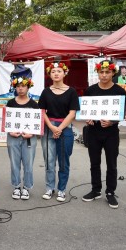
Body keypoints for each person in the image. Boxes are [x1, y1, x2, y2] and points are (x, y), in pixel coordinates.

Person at [81, 60, 126, 208]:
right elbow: (85, 110)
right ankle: (96, 190)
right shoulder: (90, 90)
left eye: (107, 72)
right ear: (98, 73)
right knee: (94, 163)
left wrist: (112, 122)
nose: (104, 75)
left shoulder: (120, 91)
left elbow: (122, 114)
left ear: (113, 73)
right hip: (93, 132)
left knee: (111, 164)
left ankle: (110, 192)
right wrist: (87, 118)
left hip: (111, 133)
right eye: (101, 72)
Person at [38, 62, 79, 202]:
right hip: (49, 127)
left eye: (59, 71)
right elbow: (42, 111)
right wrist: (51, 127)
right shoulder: (46, 91)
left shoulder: (71, 91)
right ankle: (49, 188)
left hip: (65, 128)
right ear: (50, 74)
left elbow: (72, 113)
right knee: (49, 161)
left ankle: (61, 189)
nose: (56, 73)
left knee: (63, 161)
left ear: (64, 73)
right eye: (53, 71)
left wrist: (59, 128)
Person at [6, 76, 38, 201]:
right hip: (13, 136)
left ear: (28, 87)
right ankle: (16, 186)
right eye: (18, 86)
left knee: (28, 163)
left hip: (29, 137)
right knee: (14, 163)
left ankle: (26, 186)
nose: (20, 89)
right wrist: (10, 131)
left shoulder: (33, 104)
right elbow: (7, 121)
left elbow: (37, 122)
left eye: (23, 86)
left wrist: (32, 134)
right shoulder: (10, 103)